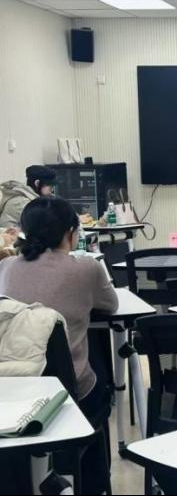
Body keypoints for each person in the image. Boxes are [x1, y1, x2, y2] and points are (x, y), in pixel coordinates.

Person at [0, 196, 118, 494]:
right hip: (69, 390)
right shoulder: (86, 269)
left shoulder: (7, 267)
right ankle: (94, 484)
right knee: (98, 373)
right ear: (71, 233)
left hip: (15, 388)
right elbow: (111, 305)